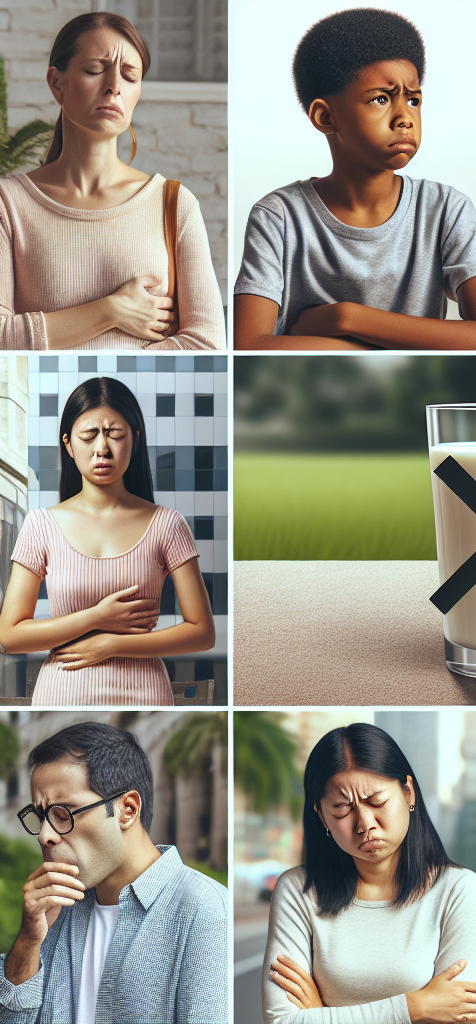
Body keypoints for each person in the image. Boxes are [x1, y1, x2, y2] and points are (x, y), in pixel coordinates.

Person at [234, 8, 476, 351]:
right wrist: (387, 352)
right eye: (381, 98)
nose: (405, 117)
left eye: (413, 99)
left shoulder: (446, 209)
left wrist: (345, 318)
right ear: (325, 116)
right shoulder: (279, 217)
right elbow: (248, 346)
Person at [0, 12, 224, 350]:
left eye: (129, 76)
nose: (114, 87)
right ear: (57, 83)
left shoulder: (175, 203)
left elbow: (206, 344)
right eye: (94, 70)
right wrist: (112, 310)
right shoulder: (8, 203)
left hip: (137, 404)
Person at [0, 377, 215, 704]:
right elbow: (10, 635)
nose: (102, 448)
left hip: (144, 694)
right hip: (62, 693)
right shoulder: (41, 525)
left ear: (135, 439)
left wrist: (111, 644)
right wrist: (97, 617)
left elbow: (202, 632)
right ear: (69, 445)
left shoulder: (167, 524)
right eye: (89, 435)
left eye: (115, 434)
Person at [262, 723, 476, 1023]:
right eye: (342, 808)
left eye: (376, 801)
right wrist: (415, 1007)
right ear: (322, 816)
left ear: (408, 793)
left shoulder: (459, 891)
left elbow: (461, 1018)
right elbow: (280, 1021)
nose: (365, 823)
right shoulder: (297, 890)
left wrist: (321, 1015)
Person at [0, 722, 227, 1022]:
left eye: (62, 813)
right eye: (42, 816)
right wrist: (29, 941)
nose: (45, 835)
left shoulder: (202, 909)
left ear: (127, 810)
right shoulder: (55, 908)